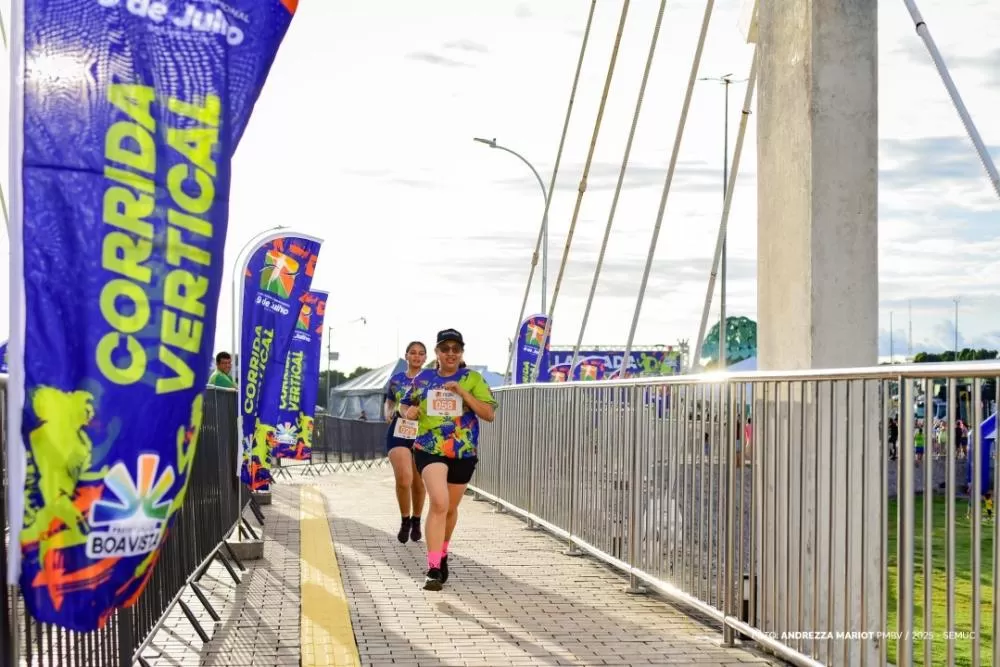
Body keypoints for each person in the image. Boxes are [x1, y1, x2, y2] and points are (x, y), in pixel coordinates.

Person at [399, 329, 496, 591]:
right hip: (429, 448)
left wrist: (463, 393)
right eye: (445, 349)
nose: (451, 353)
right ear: (437, 352)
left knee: (450, 509)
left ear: (461, 352)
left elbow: (489, 414)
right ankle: (432, 568)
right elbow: (404, 404)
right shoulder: (423, 379)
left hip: (463, 452)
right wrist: (409, 412)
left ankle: (442, 553)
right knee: (439, 503)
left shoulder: (473, 379)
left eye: (456, 349)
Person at [383, 341, 428, 543]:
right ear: (406, 356)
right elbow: (389, 401)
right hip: (399, 431)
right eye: (413, 353)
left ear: (425, 358)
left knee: (418, 482)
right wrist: (387, 412)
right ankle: (405, 520)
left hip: (423, 433)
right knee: (404, 479)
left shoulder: (431, 379)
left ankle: (417, 520)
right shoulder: (397, 379)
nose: (417, 356)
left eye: (421, 353)